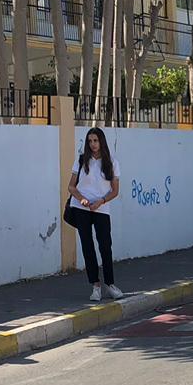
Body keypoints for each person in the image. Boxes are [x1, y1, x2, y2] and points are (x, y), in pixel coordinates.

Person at [66, 126, 124, 302]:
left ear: (102, 141)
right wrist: (82, 199)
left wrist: (101, 201)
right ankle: (95, 285)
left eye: (96, 140)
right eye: (90, 141)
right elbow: (71, 187)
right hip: (81, 207)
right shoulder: (81, 160)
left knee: (105, 245)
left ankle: (110, 284)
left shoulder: (112, 162)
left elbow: (115, 191)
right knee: (87, 246)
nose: (93, 144)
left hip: (101, 208)